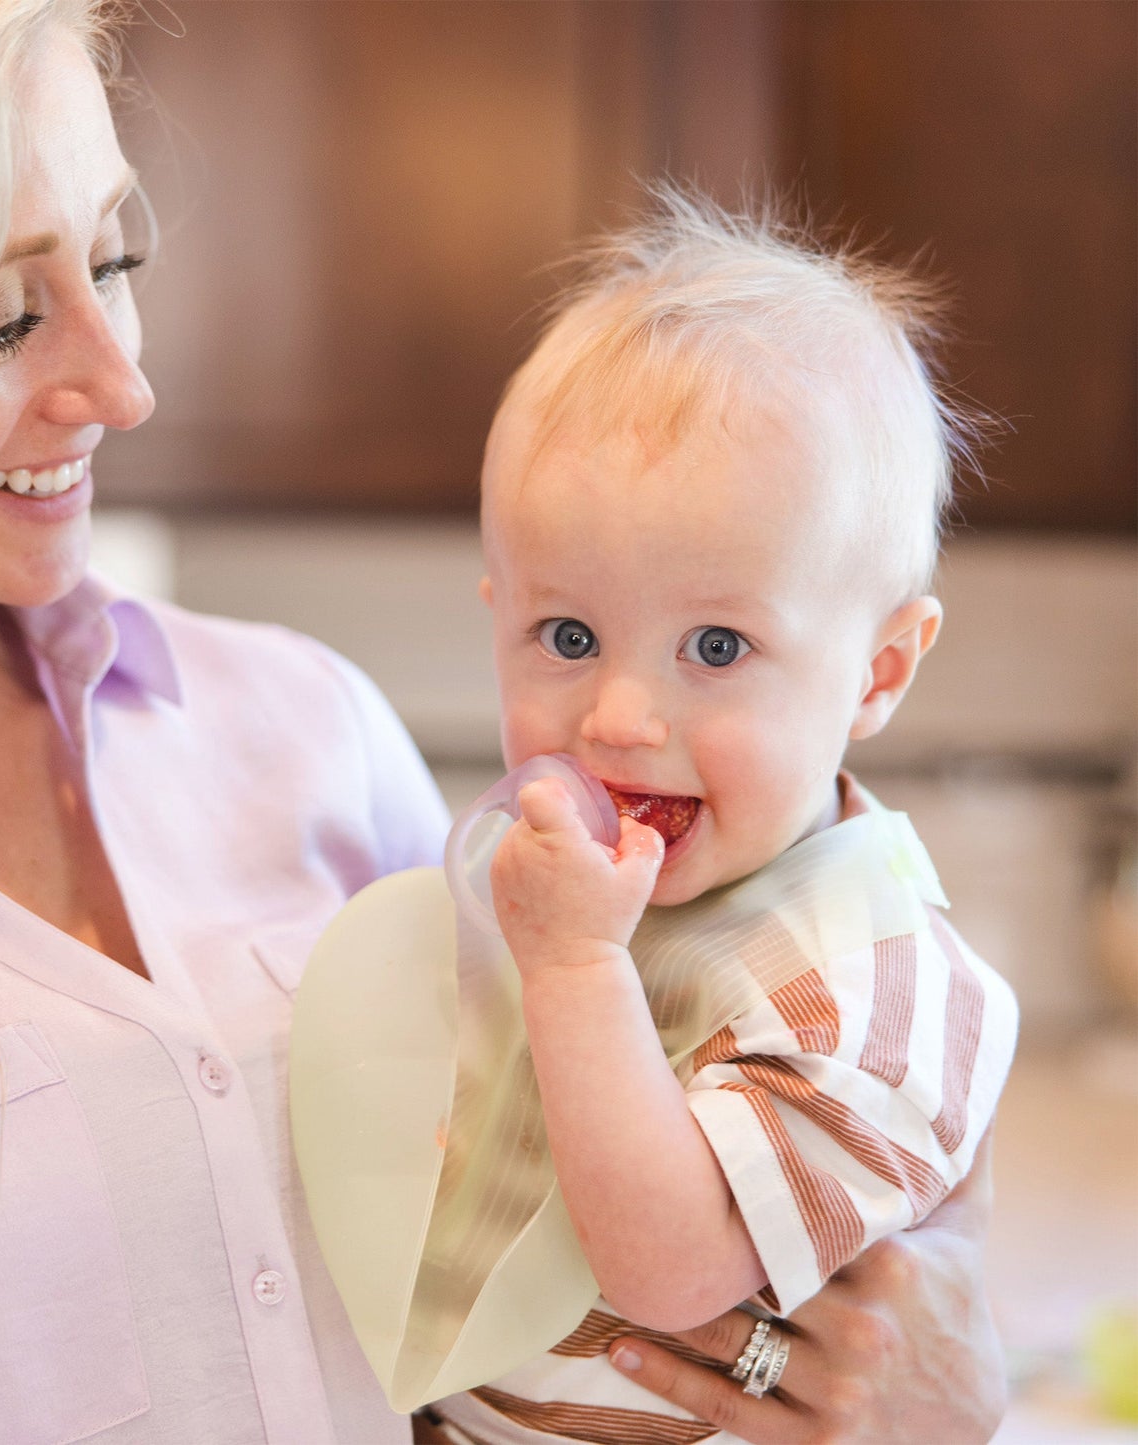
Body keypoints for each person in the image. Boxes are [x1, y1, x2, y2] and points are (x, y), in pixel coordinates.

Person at [0, 2, 1007, 1440]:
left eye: (115, 262)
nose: (123, 385)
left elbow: (750, 1200)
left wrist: (929, 1349)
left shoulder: (302, 724)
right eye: (1, 313)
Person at [385, 194, 1015, 1443]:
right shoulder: (549, 882)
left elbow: (671, 1268)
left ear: (878, 672)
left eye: (714, 646)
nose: (619, 716)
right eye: (566, 636)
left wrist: (570, 966)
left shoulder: (870, 992)